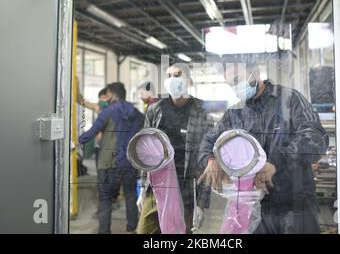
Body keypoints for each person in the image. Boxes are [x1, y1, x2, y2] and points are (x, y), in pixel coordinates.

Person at [198, 55, 328, 234]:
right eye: (231, 84)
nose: (235, 87)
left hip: (295, 206)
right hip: (255, 210)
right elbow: (209, 140)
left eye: (237, 79)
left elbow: (315, 138)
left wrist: (276, 162)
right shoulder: (234, 113)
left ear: (256, 73)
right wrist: (210, 160)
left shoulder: (289, 100)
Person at [137, 63, 212, 234]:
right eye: (169, 75)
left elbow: (206, 158)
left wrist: (201, 203)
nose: (172, 80)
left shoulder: (201, 111)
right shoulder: (155, 109)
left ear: (189, 81)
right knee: (144, 231)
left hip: (185, 187)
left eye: (178, 75)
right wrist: (142, 187)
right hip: (156, 184)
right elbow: (145, 150)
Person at [79, 82, 144, 234]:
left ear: (112, 94)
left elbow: (92, 132)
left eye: (107, 94)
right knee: (130, 195)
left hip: (109, 162)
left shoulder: (108, 112)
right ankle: (131, 228)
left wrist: (77, 140)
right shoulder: (137, 113)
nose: (105, 97)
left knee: (105, 198)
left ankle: (104, 231)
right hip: (130, 161)